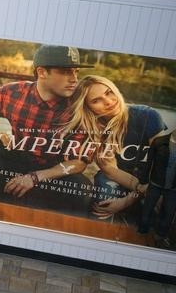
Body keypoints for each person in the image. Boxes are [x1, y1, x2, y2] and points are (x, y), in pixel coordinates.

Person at [0, 45, 93, 208]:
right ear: (42, 72)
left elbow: (79, 162)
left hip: (53, 170)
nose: (74, 79)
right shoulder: (12, 93)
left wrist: (36, 177)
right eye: (65, 72)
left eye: (76, 72)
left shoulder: (80, 108)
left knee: (80, 188)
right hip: (16, 158)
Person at [57, 75, 166, 219]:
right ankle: (97, 233)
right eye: (96, 101)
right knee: (104, 181)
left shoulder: (147, 115)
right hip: (122, 179)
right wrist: (137, 189)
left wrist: (127, 200)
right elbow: (110, 170)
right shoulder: (93, 129)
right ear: (87, 108)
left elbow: (163, 167)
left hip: (154, 181)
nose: (108, 102)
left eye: (108, 92)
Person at [138, 129, 176, 248]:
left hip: (173, 187)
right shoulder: (159, 141)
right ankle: (141, 234)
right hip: (156, 183)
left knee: (169, 214)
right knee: (147, 209)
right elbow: (148, 163)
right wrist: (143, 181)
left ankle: (160, 237)